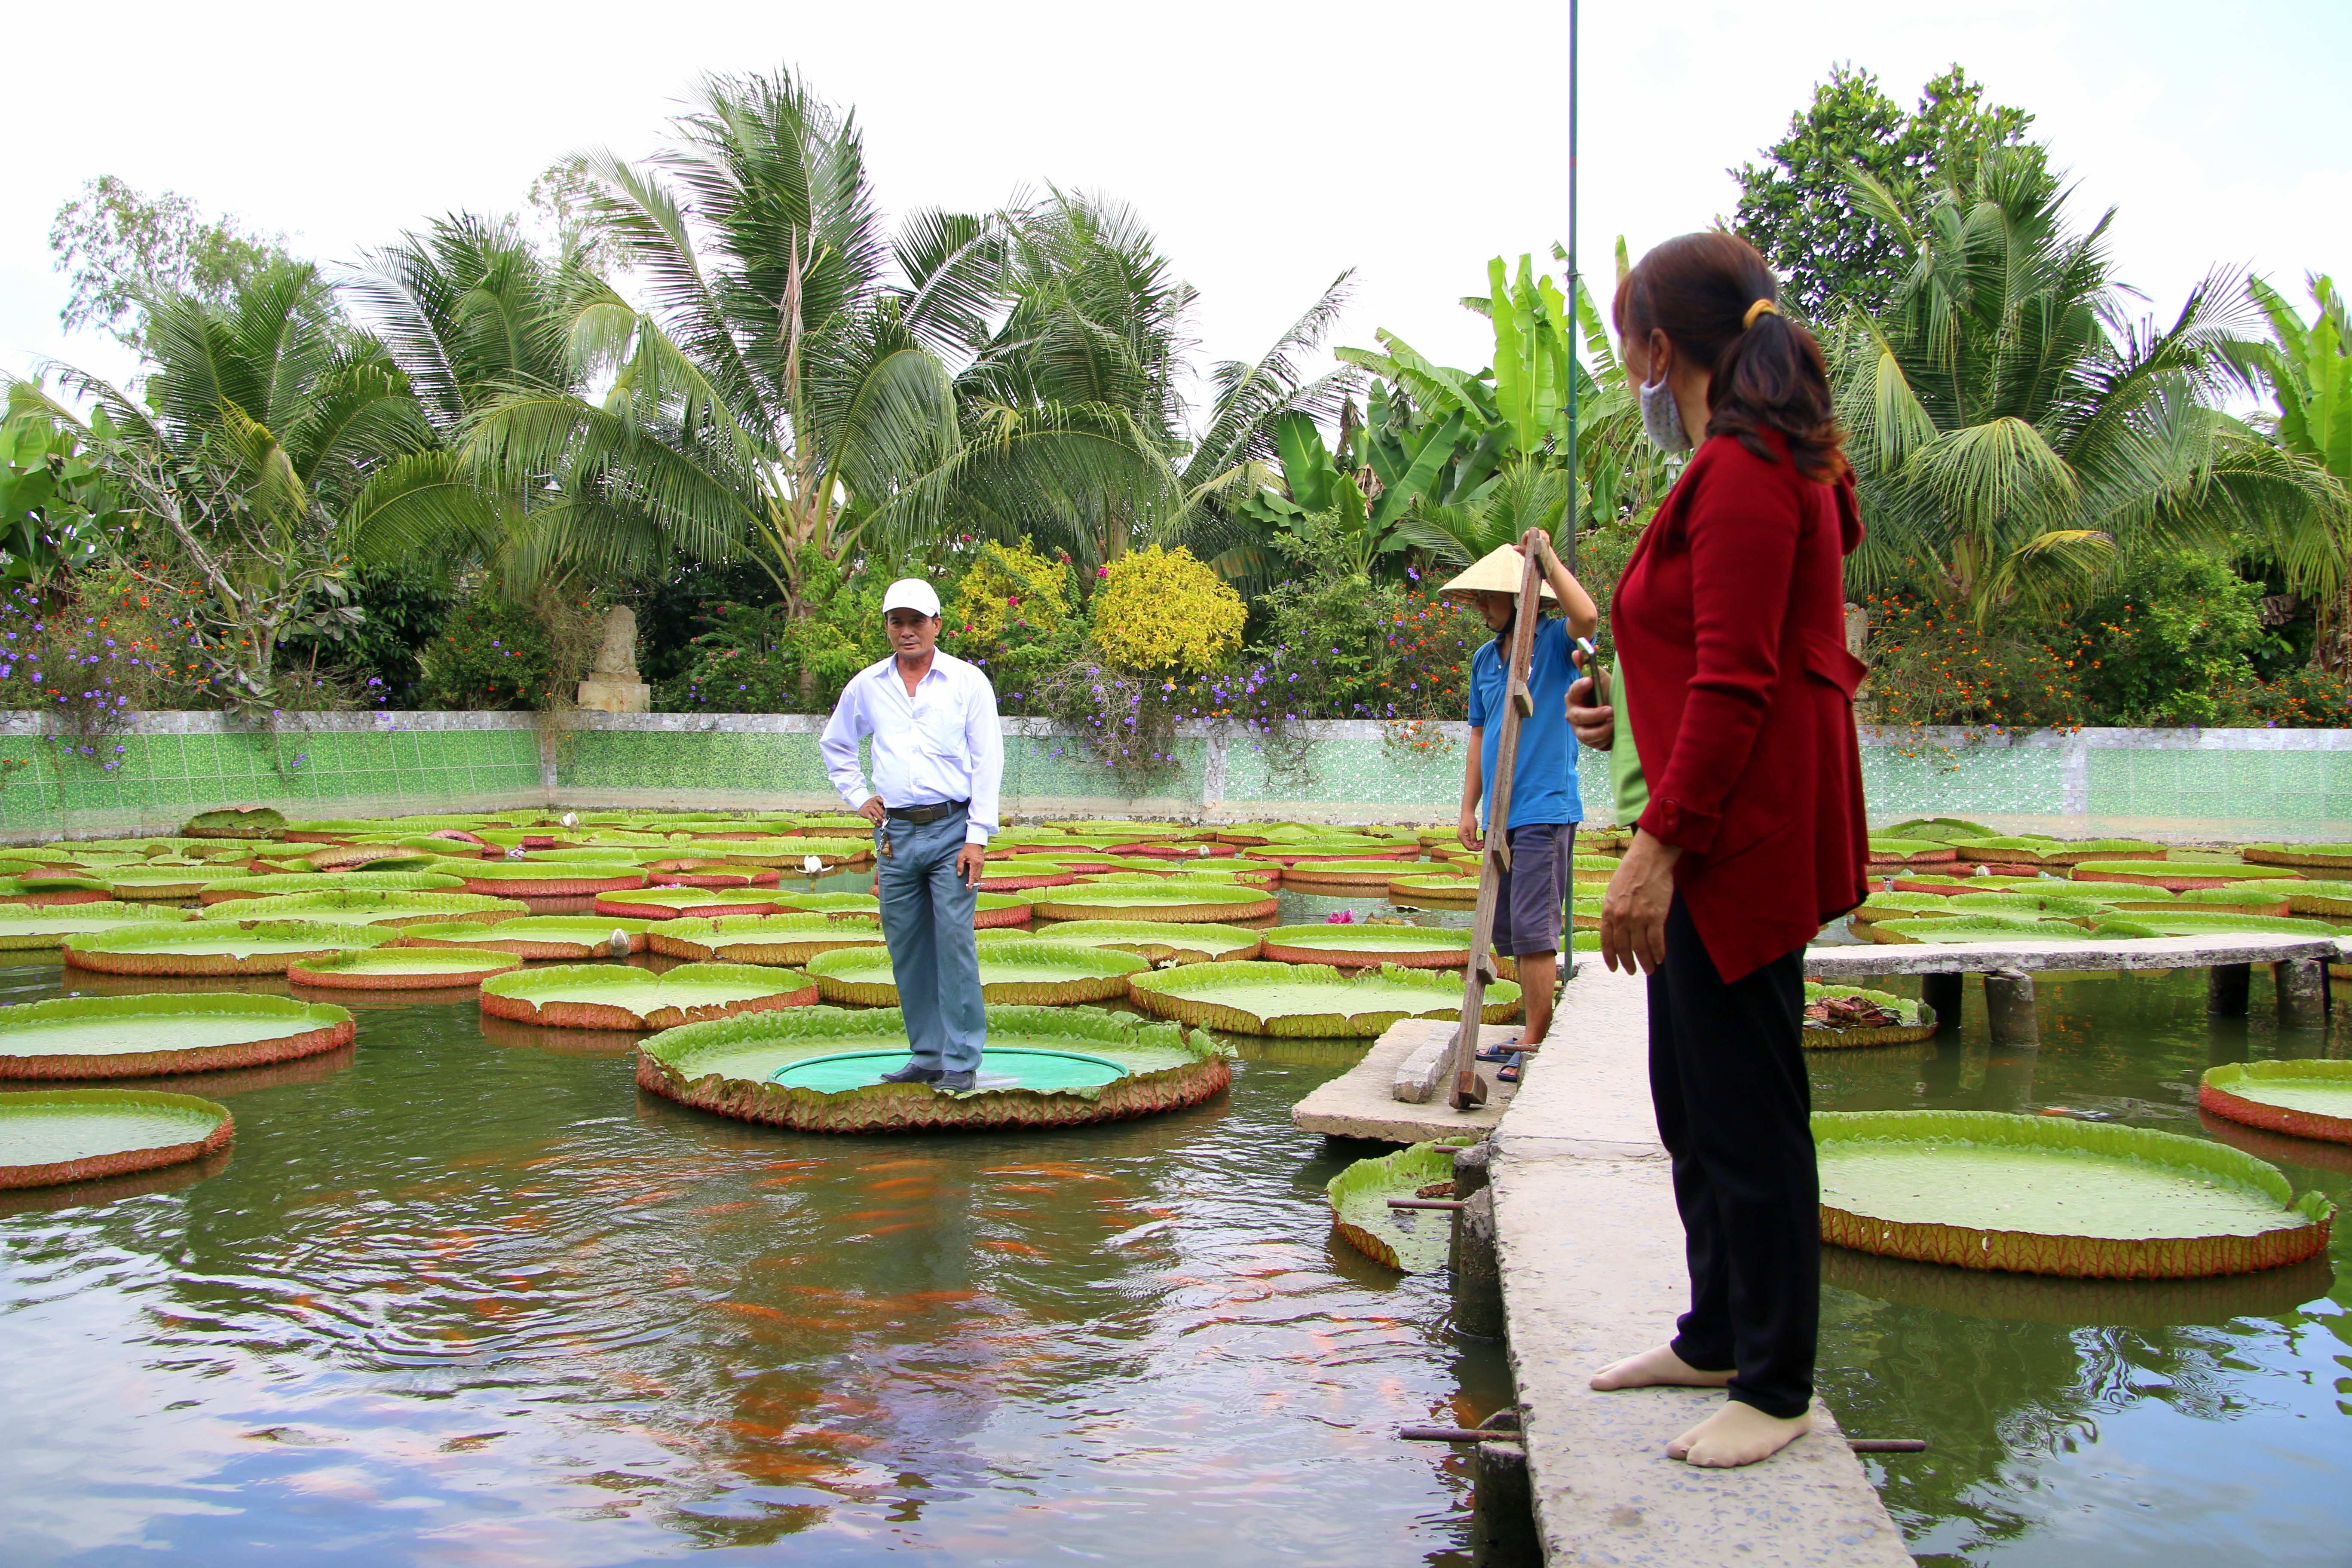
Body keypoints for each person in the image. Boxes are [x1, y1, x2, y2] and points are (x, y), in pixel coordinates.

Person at [1567, 233, 1869, 1468]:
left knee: (1749, 1117)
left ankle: (1778, 1385)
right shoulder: (1724, 467)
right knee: (1693, 1103)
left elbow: (1743, 685)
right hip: (1713, 828)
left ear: (1655, 347)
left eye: (1625, 339)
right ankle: (1713, 1334)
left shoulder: (1745, 473)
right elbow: (1698, 654)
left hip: (1729, 847)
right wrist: (1616, 716)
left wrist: (1657, 849)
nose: (1622, 362)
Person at [819, 578, 1005, 1093]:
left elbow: (989, 762)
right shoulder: (867, 686)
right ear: (887, 627)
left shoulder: (967, 683)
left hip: (953, 829)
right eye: (897, 622)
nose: (907, 632)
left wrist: (978, 838)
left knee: (953, 941)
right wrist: (858, 796)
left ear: (936, 625)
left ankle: (962, 1059)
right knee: (907, 945)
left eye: (916, 622)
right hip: (895, 834)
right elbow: (836, 744)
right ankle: (927, 1055)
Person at [1444, 529, 1600, 1064]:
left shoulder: (1554, 642)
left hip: (1545, 808)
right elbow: (1480, 735)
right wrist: (1469, 808)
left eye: (1491, 598)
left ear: (1516, 599)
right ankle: (1531, 1028)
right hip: (1502, 815)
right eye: (1479, 598)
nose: (1482, 607)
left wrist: (1549, 560)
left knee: (1536, 931)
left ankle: (1535, 1039)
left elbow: (1591, 620)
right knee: (1507, 928)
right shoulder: (1486, 660)